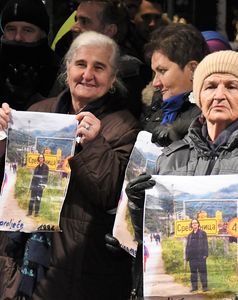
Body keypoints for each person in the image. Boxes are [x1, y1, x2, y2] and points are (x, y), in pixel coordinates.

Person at [0, 31, 140, 299]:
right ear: (67, 69)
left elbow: (109, 193)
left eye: (99, 67)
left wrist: (94, 144)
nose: (88, 74)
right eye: (80, 64)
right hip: (19, 264)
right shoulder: (37, 111)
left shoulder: (124, 126)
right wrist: (3, 134)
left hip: (78, 271)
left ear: (112, 79)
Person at [126, 50, 238, 297]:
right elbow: (150, 239)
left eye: (232, 86)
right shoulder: (171, 157)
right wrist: (139, 206)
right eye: (210, 86)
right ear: (199, 96)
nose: (219, 95)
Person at [53, 0, 148, 118]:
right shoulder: (67, 56)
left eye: (84, 21)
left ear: (109, 30)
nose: (74, 27)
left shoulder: (130, 71)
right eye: (81, 64)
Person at [141, 23, 209, 146]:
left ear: (193, 69)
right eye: (154, 72)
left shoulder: (213, 119)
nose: (155, 83)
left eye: (162, 71)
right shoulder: (157, 109)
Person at [0, 0, 59, 110]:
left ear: (43, 34)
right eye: (11, 29)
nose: (18, 37)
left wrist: (32, 99)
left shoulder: (59, 73)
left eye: (27, 30)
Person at [186, 219, 208, 292]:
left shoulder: (203, 233)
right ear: (191, 225)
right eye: (193, 223)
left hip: (201, 256)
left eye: (196, 223)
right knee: (193, 273)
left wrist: (205, 254)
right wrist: (187, 256)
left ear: (198, 224)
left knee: (203, 272)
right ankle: (194, 287)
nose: (194, 224)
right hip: (192, 257)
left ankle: (205, 287)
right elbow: (187, 246)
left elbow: (206, 244)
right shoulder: (189, 235)